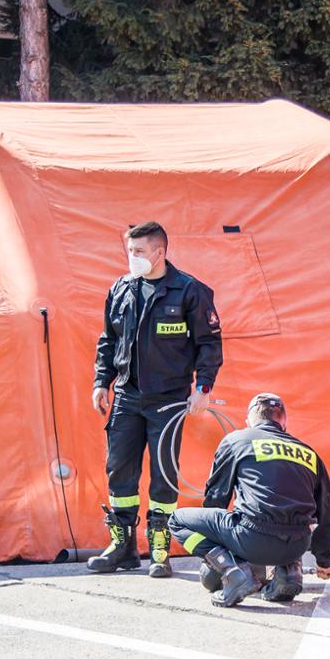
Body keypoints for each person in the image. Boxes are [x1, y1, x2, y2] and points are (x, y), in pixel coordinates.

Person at [87, 221, 223, 578]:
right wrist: (102, 382)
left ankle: (159, 549)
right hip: (127, 396)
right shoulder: (121, 289)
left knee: (164, 474)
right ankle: (123, 547)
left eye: (139, 251)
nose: (132, 257)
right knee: (119, 469)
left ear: (159, 252)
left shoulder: (189, 291)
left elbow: (209, 344)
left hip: (168, 399)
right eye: (129, 250)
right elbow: (109, 340)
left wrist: (203, 388)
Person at [169, 393, 330, 607]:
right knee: (286, 512)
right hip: (297, 545)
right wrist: (325, 561)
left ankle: (233, 572)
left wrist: (219, 558)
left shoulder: (237, 440)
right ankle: (289, 574)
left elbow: (216, 499)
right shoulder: (309, 453)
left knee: (176, 520)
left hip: (252, 539)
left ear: (249, 422)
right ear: (284, 423)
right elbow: (327, 514)